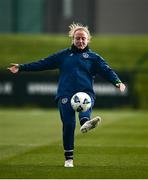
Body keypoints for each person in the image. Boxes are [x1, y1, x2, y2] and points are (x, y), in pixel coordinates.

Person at [8, 23, 126, 168]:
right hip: (65, 94)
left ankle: (85, 123)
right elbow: (43, 63)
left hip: (86, 92)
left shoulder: (94, 58)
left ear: (88, 39)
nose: (81, 41)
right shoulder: (63, 55)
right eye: (78, 38)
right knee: (69, 124)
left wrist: (117, 82)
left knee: (85, 101)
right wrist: (21, 67)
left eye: (83, 38)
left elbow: (107, 70)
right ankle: (69, 158)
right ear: (72, 39)